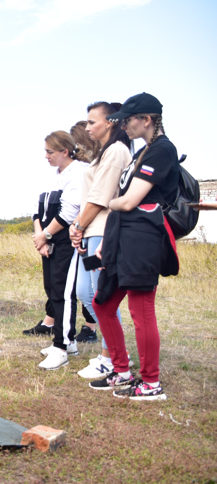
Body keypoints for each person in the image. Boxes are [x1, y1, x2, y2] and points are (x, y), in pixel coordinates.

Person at [90, 93, 179, 401]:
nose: (123, 126)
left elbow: (128, 201)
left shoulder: (163, 150)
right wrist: (108, 238)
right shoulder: (144, 150)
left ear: (147, 120)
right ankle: (122, 370)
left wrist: (107, 203)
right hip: (122, 236)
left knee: (141, 309)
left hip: (143, 238)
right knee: (103, 302)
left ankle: (151, 383)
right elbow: (125, 203)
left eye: (127, 120)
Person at [69, 103, 134, 379]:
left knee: (102, 297)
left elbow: (101, 197)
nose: (87, 128)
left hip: (103, 230)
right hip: (90, 229)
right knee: (85, 293)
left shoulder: (117, 150)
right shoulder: (103, 153)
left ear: (110, 122)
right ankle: (112, 348)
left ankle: (112, 356)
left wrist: (79, 225)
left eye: (91, 122)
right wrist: (80, 227)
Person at [32, 131, 87, 370]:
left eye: (50, 152)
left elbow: (69, 212)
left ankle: (61, 347)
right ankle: (69, 340)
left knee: (64, 293)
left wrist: (45, 235)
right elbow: (37, 208)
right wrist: (41, 238)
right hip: (48, 241)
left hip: (66, 241)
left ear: (65, 151)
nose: (46, 156)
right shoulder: (53, 175)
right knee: (52, 289)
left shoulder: (79, 173)